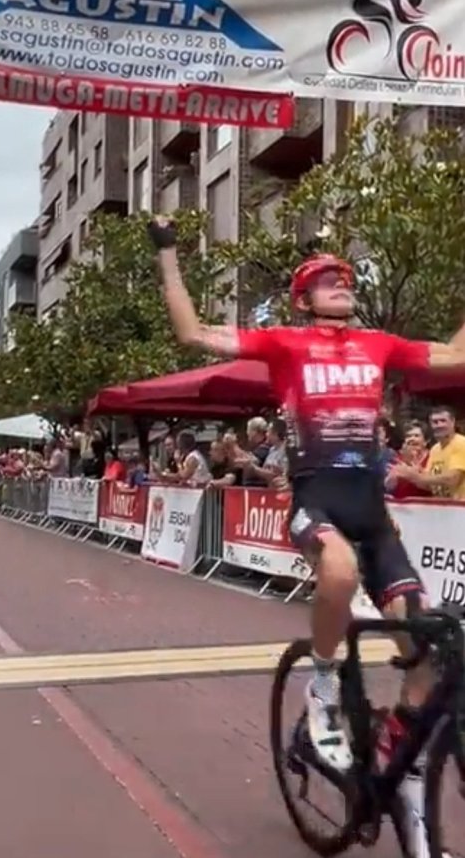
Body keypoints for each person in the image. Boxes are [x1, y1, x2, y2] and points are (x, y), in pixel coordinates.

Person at [149, 219, 465, 855]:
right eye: (324, 280)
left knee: (429, 653)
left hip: (372, 513)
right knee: (339, 572)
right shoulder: (283, 343)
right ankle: (322, 687)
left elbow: (454, 355)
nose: (340, 284)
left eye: (344, 278)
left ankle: (398, 764)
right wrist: (167, 255)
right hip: (315, 501)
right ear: (303, 299)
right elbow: (191, 332)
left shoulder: (378, 344)